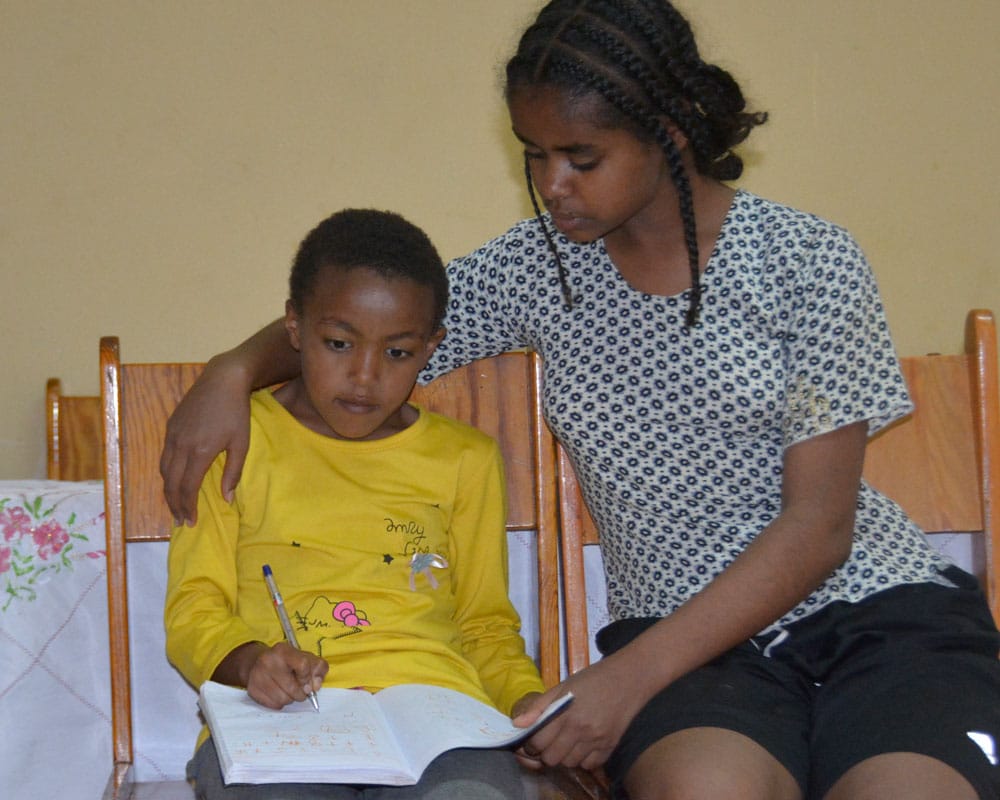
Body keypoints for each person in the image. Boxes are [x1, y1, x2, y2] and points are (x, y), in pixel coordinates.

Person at [160, 3, 1000, 799]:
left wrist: (622, 680)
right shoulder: (539, 268)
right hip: (692, 653)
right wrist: (230, 371)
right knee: (707, 789)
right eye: (533, 153)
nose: (551, 183)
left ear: (668, 129)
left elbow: (818, 530)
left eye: (581, 157)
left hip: (878, 615)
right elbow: (371, 320)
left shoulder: (809, 260)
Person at [164, 208, 545, 800]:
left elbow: (485, 625)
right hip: (279, 717)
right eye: (339, 343)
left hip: (439, 720)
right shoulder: (236, 440)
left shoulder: (465, 459)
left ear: (431, 348)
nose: (364, 376)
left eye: (397, 354)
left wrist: (524, 701)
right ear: (294, 329)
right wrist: (248, 661)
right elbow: (194, 608)